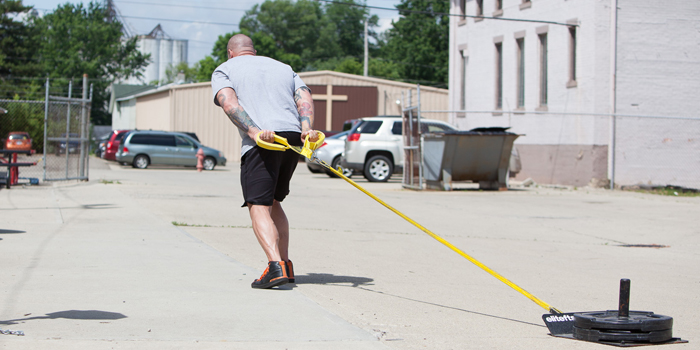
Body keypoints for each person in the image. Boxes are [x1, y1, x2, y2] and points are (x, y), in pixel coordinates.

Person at [211, 34, 318, 289]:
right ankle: (286, 264)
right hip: (292, 138)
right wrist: (306, 129)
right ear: (254, 51)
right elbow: (304, 97)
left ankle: (275, 266)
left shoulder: (224, 69)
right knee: (273, 202)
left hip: (264, 140)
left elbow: (229, 104)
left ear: (230, 52)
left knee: (257, 205)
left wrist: (253, 132)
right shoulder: (283, 68)